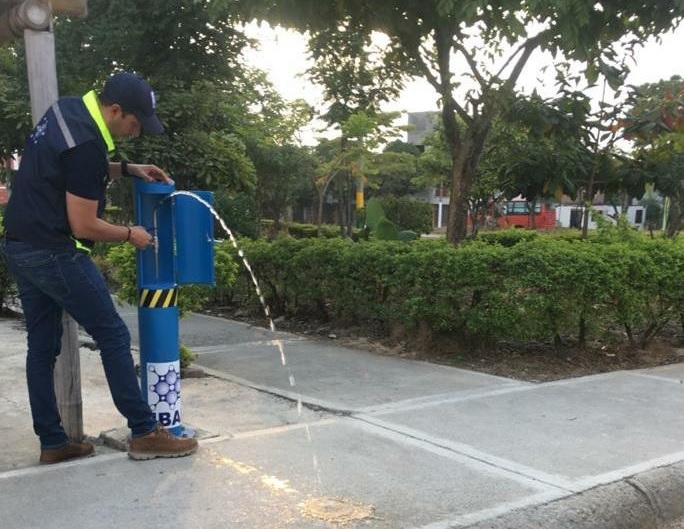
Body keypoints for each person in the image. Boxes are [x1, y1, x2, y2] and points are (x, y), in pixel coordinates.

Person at [2, 71, 198, 463]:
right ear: (115, 110)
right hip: (53, 251)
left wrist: (127, 168)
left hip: (18, 244)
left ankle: (53, 443)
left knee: (41, 347)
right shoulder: (88, 144)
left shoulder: (68, 110)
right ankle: (145, 432)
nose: (136, 132)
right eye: (135, 123)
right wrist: (130, 235)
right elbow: (84, 225)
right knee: (112, 334)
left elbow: (71, 166)